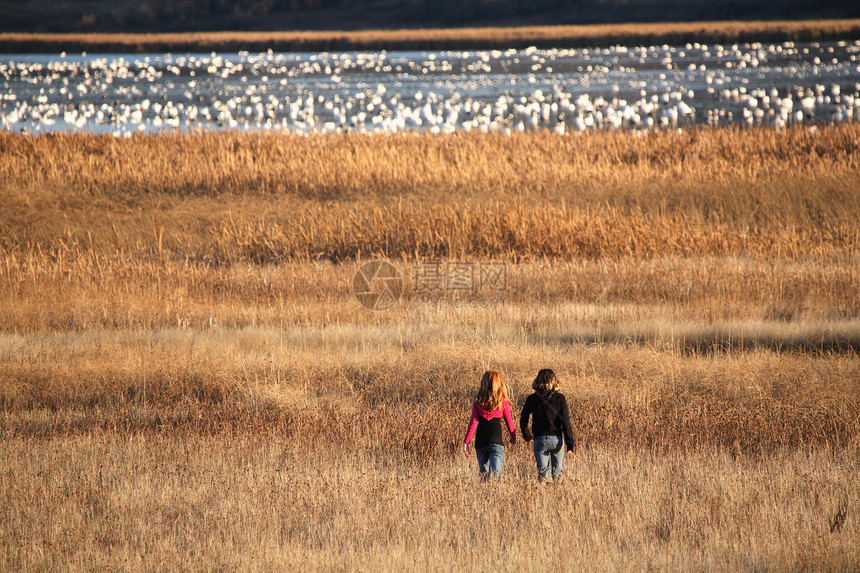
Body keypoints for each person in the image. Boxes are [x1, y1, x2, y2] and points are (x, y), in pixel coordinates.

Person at [520, 369, 575, 484]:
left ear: (538, 380)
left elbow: (523, 418)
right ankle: (557, 496)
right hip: (557, 439)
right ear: (554, 381)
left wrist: (527, 435)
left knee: (543, 475)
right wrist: (570, 444)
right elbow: (566, 422)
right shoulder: (560, 398)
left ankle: (544, 494)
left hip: (540, 440)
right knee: (557, 475)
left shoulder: (532, 398)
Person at [463, 370, 516, 480]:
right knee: (496, 476)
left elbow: (473, 423)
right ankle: (496, 495)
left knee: (484, 476)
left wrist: (466, 442)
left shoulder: (478, 402)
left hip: (481, 443)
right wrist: (513, 437)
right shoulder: (503, 402)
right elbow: (509, 422)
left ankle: (485, 496)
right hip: (496, 443)